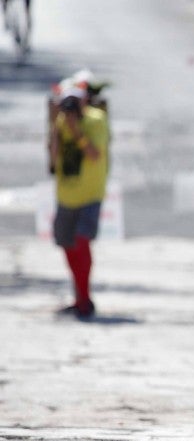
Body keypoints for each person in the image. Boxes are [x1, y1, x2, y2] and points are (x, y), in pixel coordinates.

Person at [49, 84, 110, 320]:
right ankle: (79, 296)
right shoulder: (60, 122)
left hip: (90, 193)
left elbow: (94, 155)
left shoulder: (96, 120)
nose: (71, 107)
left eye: (76, 100)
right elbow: (53, 159)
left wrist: (76, 131)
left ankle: (84, 298)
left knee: (82, 241)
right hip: (66, 195)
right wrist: (56, 126)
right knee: (67, 244)